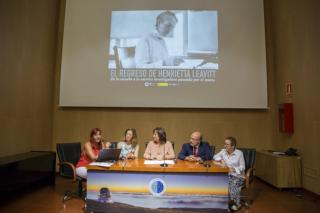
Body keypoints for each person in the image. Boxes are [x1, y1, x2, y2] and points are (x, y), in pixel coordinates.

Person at [213, 137, 245, 211]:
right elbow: (214, 157)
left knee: (232, 186)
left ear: (232, 146)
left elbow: (243, 167)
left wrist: (233, 169)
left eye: (227, 144)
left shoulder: (239, 153)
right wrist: (221, 160)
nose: (224, 146)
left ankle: (234, 203)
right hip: (226, 174)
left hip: (237, 176)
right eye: (224, 144)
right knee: (217, 184)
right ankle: (225, 203)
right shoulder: (223, 151)